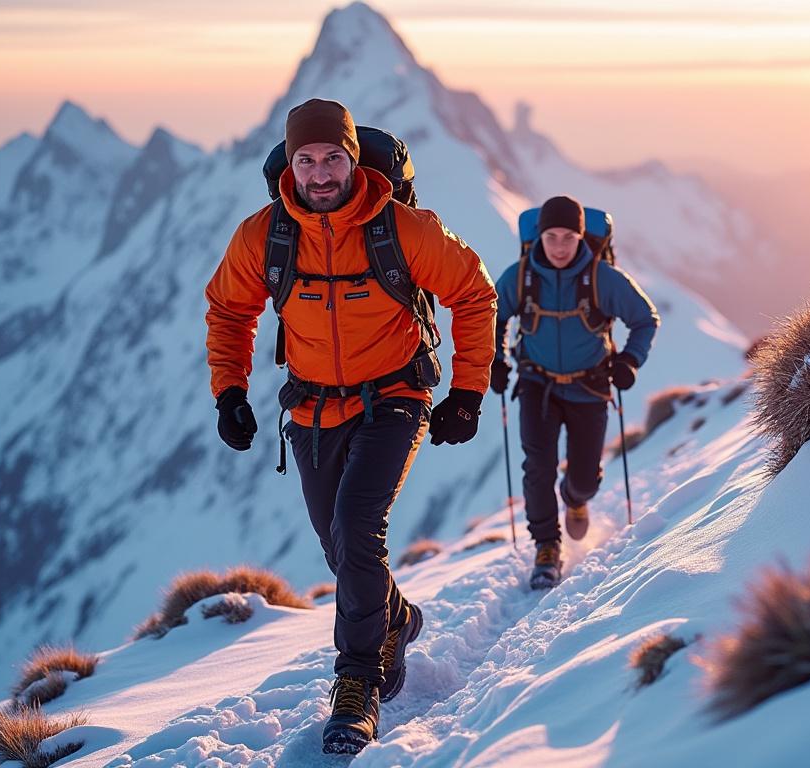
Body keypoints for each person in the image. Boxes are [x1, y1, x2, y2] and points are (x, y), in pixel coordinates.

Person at [204, 98, 496, 755]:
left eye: (332, 157)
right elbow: (228, 308)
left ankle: (356, 686)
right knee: (342, 549)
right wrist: (228, 393)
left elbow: (474, 293)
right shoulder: (266, 235)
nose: (320, 172)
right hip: (311, 408)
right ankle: (394, 618)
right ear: (291, 165)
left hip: (395, 394)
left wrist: (467, 393)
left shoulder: (402, 228)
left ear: (353, 158)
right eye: (306, 160)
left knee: (358, 527)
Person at [490, 195, 659, 590]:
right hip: (537, 385)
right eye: (552, 237)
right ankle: (546, 548)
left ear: (582, 236)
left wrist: (629, 360)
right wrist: (494, 361)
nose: (560, 246)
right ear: (540, 237)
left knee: (584, 479)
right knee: (537, 465)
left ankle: (576, 497)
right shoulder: (520, 277)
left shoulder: (603, 279)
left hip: (590, 384)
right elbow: (490, 318)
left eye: (569, 237)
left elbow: (645, 319)